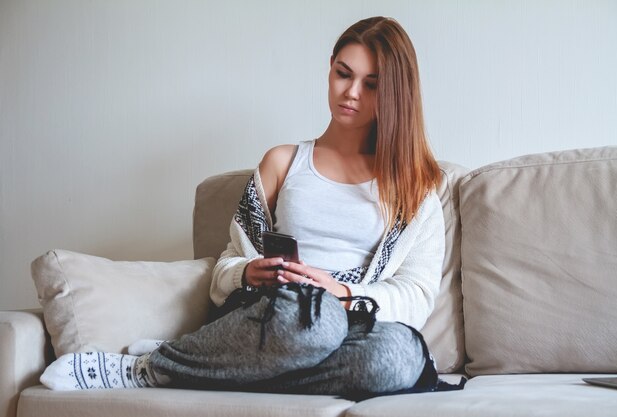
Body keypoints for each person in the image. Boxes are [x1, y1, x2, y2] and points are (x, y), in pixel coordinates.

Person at [40, 16, 462, 399]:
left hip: (353, 323)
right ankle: (148, 369)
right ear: (329, 66)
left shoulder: (418, 189)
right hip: (278, 314)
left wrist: (342, 293)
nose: (350, 93)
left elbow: (416, 296)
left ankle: (190, 364)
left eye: (371, 84)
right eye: (343, 74)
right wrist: (247, 271)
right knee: (313, 321)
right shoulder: (283, 163)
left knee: (400, 355)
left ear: (394, 93)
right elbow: (227, 267)